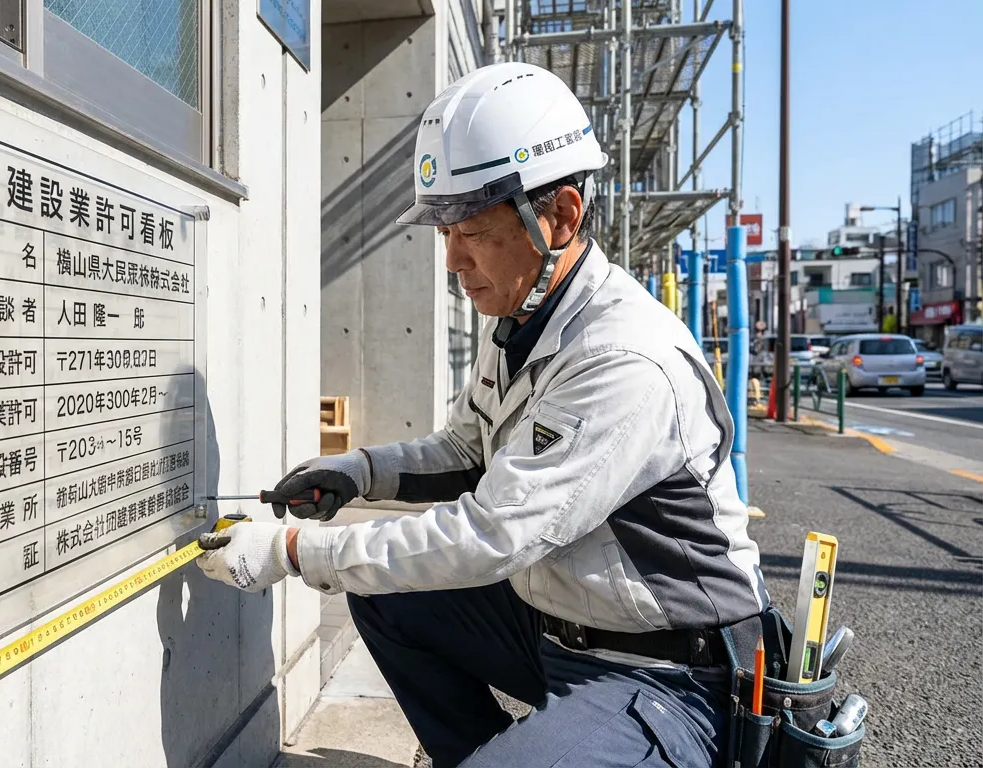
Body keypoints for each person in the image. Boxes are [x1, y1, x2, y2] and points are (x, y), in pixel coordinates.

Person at [196, 61, 769, 768]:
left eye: (472, 229)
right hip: (558, 631)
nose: (452, 261)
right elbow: (468, 449)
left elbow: (492, 534)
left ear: (559, 215)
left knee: (388, 572)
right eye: (443, 232)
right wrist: (357, 472)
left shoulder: (623, 360)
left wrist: (294, 553)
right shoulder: (528, 322)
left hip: (668, 676)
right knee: (388, 596)